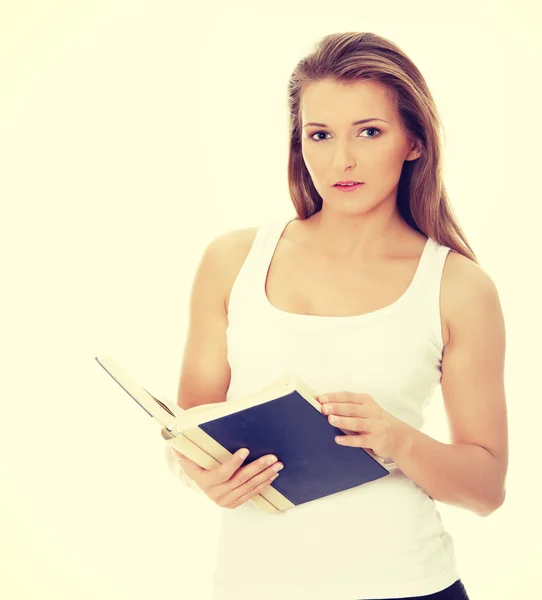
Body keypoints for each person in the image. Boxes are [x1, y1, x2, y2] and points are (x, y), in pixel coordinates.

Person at [164, 31, 508, 600]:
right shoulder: (232, 260)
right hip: (254, 585)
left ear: (414, 142)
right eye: (320, 135)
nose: (341, 159)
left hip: (407, 585)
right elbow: (188, 432)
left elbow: (487, 488)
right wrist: (203, 475)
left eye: (369, 132)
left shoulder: (457, 286)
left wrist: (396, 439)